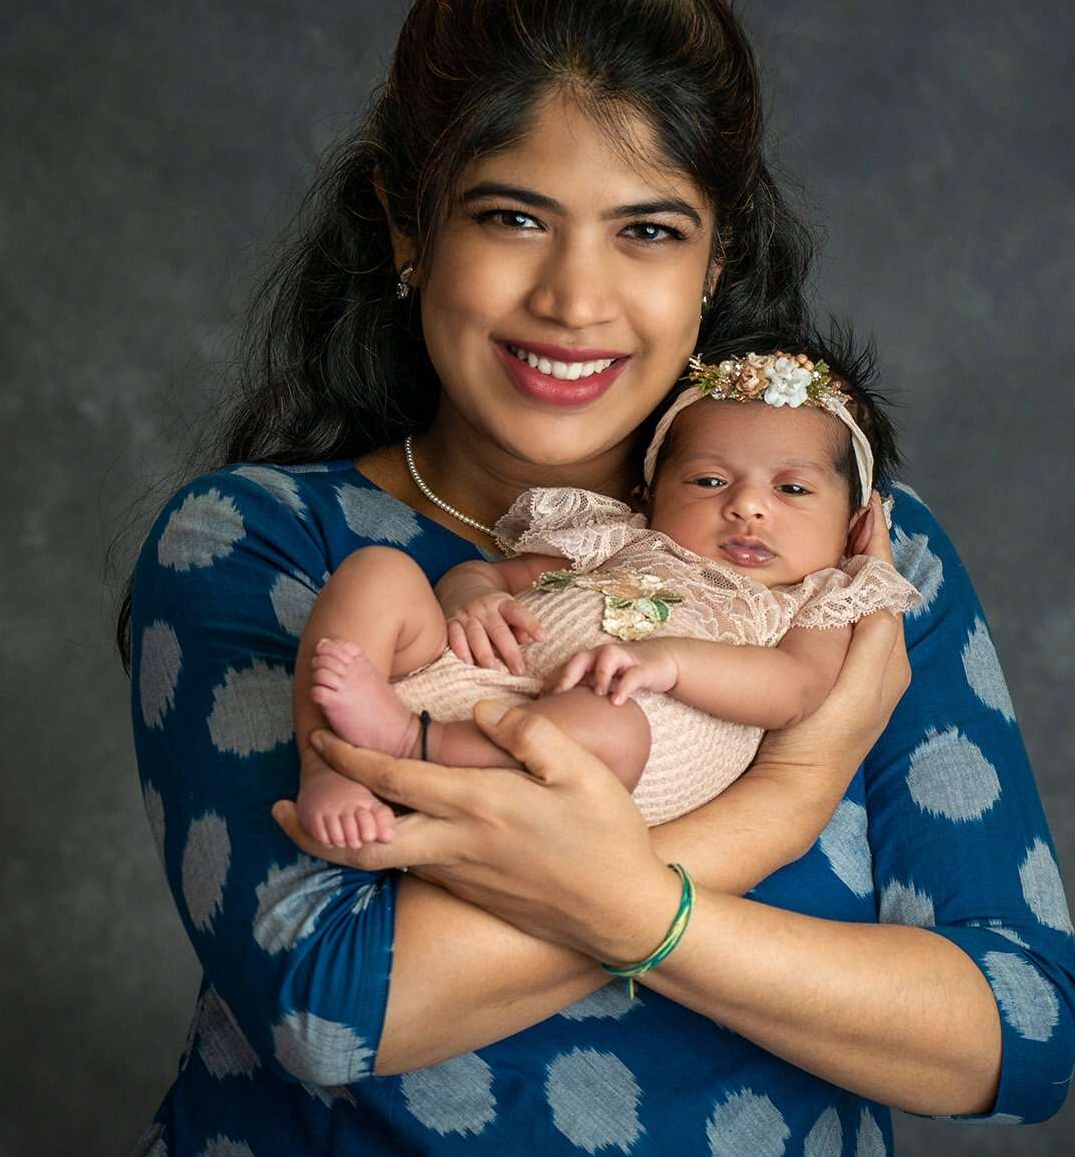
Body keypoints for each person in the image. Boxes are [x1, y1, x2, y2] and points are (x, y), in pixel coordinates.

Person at [95, 0, 1075, 1157]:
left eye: (649, 230)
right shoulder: (265, 545)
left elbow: (1015, 1032)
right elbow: (335, 1004)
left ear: (717, 257)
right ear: (408, 223)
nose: (576, 296)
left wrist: (635, 900)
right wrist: (777, 803)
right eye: (513, 216)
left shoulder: (850, 562)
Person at [294, 345, 926, 849]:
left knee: (605, 720)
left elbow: (794, 690)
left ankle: (409, 744)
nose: (747, 507)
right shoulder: (620, 539)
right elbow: (492, 576)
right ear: (648, 495)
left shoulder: (814, 601)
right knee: (379, 571)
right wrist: (469, 596)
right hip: (478, 674)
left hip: (601, 756)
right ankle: (327, 762)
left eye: (792, 490)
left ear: (851, 525)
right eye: (708, 481)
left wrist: (670, 662)